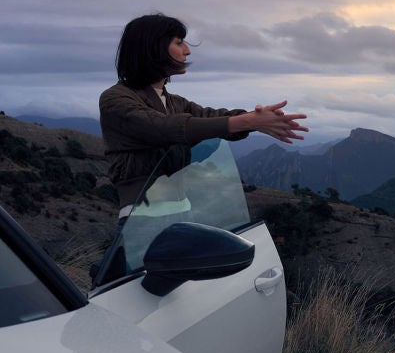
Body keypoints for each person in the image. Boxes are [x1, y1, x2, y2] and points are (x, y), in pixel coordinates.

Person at [99, 13, 309, 219]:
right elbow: (163, 127)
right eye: (179, 42)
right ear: (153, 47)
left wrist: (257, 119)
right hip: (140, 220)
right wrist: (248, 121)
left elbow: (211, 117)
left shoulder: (175, 102)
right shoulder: (115, 99)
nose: (187, 50)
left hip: (181, 214)